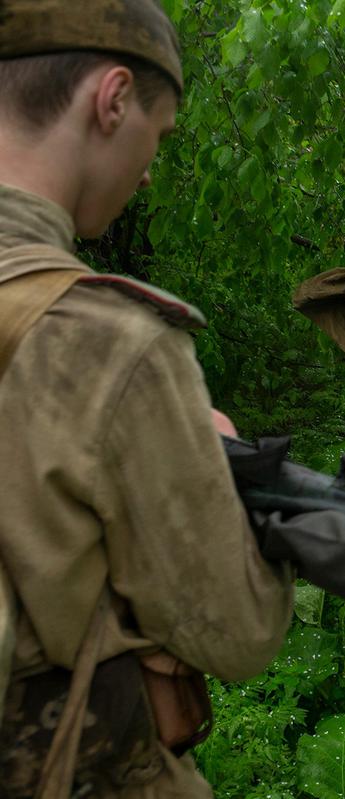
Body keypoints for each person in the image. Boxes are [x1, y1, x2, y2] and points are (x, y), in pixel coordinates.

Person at [0, 2, 294, 795]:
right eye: (157, 136)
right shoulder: (112, 342)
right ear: (112, 97)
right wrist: (214, 464)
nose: (151, 169)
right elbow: (235, 632)